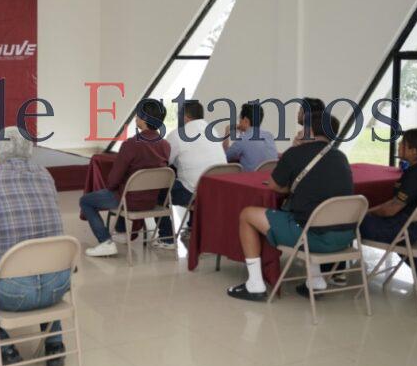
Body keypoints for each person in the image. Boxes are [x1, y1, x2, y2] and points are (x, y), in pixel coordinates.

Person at [0, 126, 68, 366]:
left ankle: (1, 349)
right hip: (59, 285)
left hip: (11, 292)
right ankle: (55, 344)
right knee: (44, 259)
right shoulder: (46, 175)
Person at [227, 112, 354, 302]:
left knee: (247, 214)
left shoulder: (295, 153)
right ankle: (316, 280)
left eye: (303, 127)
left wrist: (295, 150)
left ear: (309, 130)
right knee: (310, 212)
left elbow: (274, 185)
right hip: (344, 237)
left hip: (312, 237)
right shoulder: (340, 156)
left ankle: (254, 284)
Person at [81, 99, 171, 257]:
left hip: (128, 200)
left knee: (86, 201)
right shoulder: (165, 145)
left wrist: (112, 185)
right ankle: (121, 231)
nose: (136, 118)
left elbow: (112, 182)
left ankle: (105, 242)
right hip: (151, 201)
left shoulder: (131, 144)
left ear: (143, 119)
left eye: (138, 115)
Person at [360, 129, 417, 245]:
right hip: (416, 228)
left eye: (403, 143)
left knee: (349, 222)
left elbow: (391, 209)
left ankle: (339, 261)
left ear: (414, 151)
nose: (398, 144)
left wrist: (365, 212)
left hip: (401, 231)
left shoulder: (415, 175)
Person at [165, 100, 228, 245]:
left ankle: (166, 237)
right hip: (219, 191)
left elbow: (164, 161)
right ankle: (193, 228)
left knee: (160, 189)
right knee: (195, 179)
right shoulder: (212, 130)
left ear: (185, 116)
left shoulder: (177, 135)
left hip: (193, 193)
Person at [223, 102, 279, 172]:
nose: (239, 121)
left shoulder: (243, 139)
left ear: (246, 120)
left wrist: (227, 132)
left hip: (249, 180)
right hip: (268, 180)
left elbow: (224, 158)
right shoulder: (269, 136)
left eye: (240, 118)